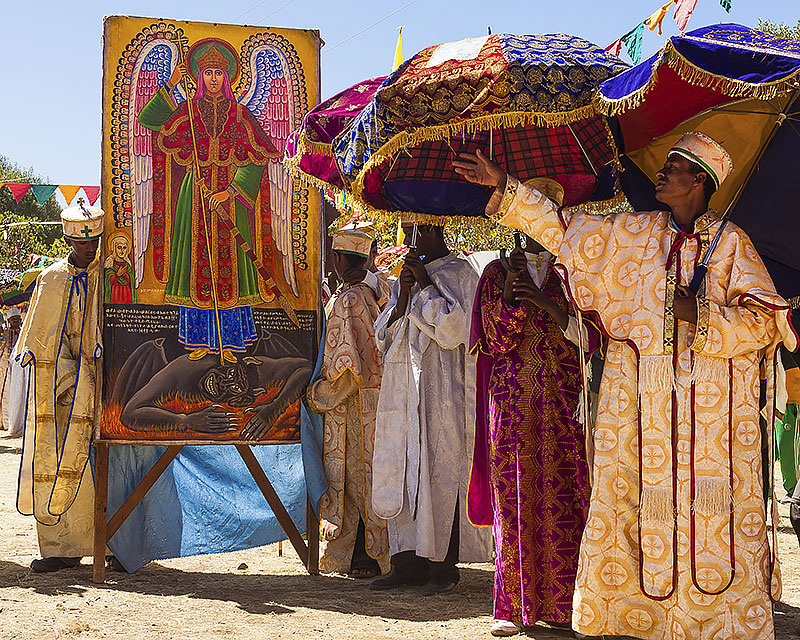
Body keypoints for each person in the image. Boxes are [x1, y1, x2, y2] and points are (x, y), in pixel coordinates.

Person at [455, 132, 795, 640]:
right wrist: (507, 186)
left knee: (713, 518)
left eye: (674, 165)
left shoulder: (733, 246)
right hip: (640, 412)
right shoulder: (634, 235)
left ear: (699, 179)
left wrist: (699, 315)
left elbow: (767, 326)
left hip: (713, 421)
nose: (661, 172)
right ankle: (641, 618)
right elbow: (566, 230)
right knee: (634, 507)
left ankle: (718, 620)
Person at [468, 179, 599, 636]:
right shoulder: (496, 274)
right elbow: (496, 339)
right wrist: (510, 297)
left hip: (565, 403)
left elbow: (591, 340)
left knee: (569, 497)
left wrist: (543, 299)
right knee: (516, 501)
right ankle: (512, 607)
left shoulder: (577, 272)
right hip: (512, 407)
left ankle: (569, 605)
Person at [370, 223, 492, 596]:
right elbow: (384, 335)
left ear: (433, 228)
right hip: (404, 390)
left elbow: (454, 330)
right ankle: (405, 562)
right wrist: (405, 294)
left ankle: (443, 567)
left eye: (414, 231)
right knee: (405, 471)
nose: (407, 240)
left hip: (444, 395)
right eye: (405, 231)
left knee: (440, 474)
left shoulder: (461, 273)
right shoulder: (402, 280)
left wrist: (423, 286)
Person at [138, 39, 279, 363]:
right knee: (195, 260)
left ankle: (230, 343)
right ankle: (199, 339)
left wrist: (230, 191)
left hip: (230, 200)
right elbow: (149, 119)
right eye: (208, 73)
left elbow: (260, 156)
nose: (214, 78)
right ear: (199, 77)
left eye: (219, 73)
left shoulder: (241, 115)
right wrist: (171, 84)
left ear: (228, 77)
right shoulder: (187, 111)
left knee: (232, 265)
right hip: (195, 197)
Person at [15, 201, 105, 572]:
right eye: (84, 243)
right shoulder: (50, 279)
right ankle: (61, 549)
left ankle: (114, 546)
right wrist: (69, 376)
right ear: (70, 240)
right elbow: (39, 342)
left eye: (95, 241)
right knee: (57, 464)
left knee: (108, 465)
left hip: (105, 386)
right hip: (63, 390)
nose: (91, 248)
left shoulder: (112, 276)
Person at [307, 229, 390, 578]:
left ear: (340, 260)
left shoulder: (348, 301)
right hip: (380, 401)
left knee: (355, 479)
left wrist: (319, 396)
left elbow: (347, 368)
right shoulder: (378, 290)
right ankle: (369, 553)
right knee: (372, 476)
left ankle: (365, 557)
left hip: (354, 405)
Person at [104, 234, 136, 304]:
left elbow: (131, 281)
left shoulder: (127, 264)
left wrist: (124, 274)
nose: (122, 250)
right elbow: (107, 281)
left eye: (124, 248)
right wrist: (117, 275)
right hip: (115, 293)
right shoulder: (110, 264)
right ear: (114, 248)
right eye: (119, 247)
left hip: (126, 293)